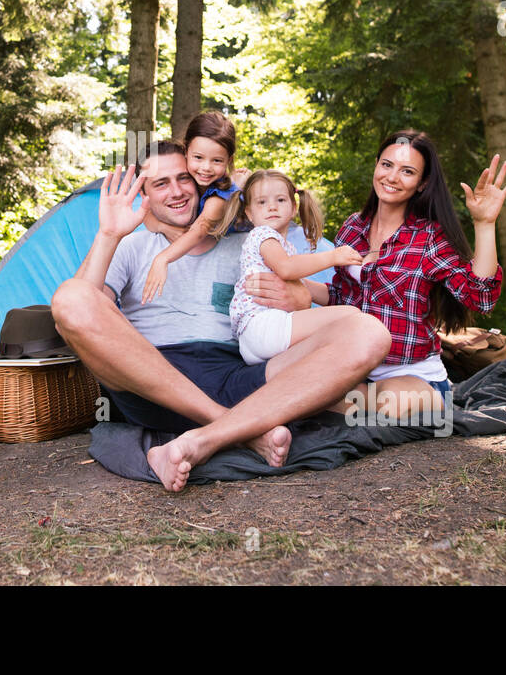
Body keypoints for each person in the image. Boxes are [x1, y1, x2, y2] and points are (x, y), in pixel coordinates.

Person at [50, 139, 392, 492]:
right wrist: (108, 234)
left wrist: (300, 298)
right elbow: (78, 315)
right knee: (71, 296)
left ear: (201, 180)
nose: (176, 191)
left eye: (183, 178)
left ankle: (206, 437)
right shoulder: (132, 247)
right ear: (146, 196)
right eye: (160, 184)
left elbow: (299, 298)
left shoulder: (247, 244)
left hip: (236, 377)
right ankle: (236, 430)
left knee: (369, 333)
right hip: (150, 377)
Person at [318, 130, 506, 421]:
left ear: (422, 183)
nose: (392, 177)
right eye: (386, 165)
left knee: (379, 406)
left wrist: (485, 223)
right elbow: (341, 297)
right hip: (352, 368)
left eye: (407, 171)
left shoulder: (429, 238)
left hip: (410, 377)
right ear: (376, 166)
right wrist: (298, 288)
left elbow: (480, 298)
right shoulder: (352, 228)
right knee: (295, 386)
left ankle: (436, 400)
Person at [222, 169, 364, 365]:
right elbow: (286, 268)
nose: (272, 207)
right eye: (262, 202)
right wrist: (333, 256)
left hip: (262, 335)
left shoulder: (284, 245)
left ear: (293, 207)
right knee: (352, 316)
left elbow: (293, 277)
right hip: (263, 326)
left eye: (280, 200)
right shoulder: (262, 235)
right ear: (249, 213)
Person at [141, 112, 248, 304]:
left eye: (217, 161)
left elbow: (200, 230)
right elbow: (147, 217)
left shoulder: (220, 194)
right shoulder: (190, 182)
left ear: (229, 161)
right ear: (186, 151)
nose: (206, 168)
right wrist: (166, 228)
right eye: (198, 157)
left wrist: (162, 259)